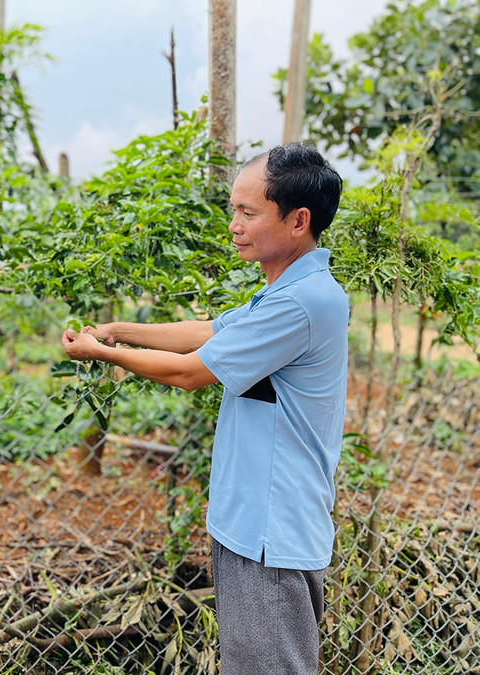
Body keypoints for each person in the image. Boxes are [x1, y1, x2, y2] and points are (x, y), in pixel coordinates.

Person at [61, 143, 347, 674]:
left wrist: (102, 353)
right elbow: (208, 331)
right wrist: (116, 330)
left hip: (271, 535)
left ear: (298, 221)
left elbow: (193, 371)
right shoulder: (286, 291)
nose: (234, 225)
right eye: (232, 210)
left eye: (248, 212)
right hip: (254, 524)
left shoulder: (302, 302)